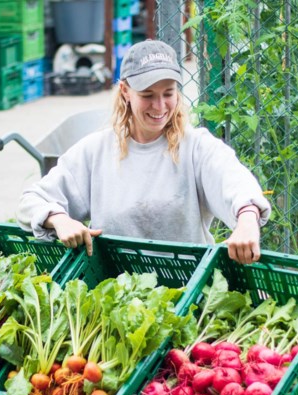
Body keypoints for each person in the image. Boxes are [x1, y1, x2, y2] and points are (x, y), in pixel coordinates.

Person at [17, 40, 271, 264]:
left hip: (189, 282)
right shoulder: (96, 151)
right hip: (116, 290)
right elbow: (31, 201)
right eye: (148, 95)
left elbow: (235, 181)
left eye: (168, 94)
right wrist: (59, 219)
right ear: (126, 91)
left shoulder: (197, 147)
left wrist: (247, 219)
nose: (160, 106)